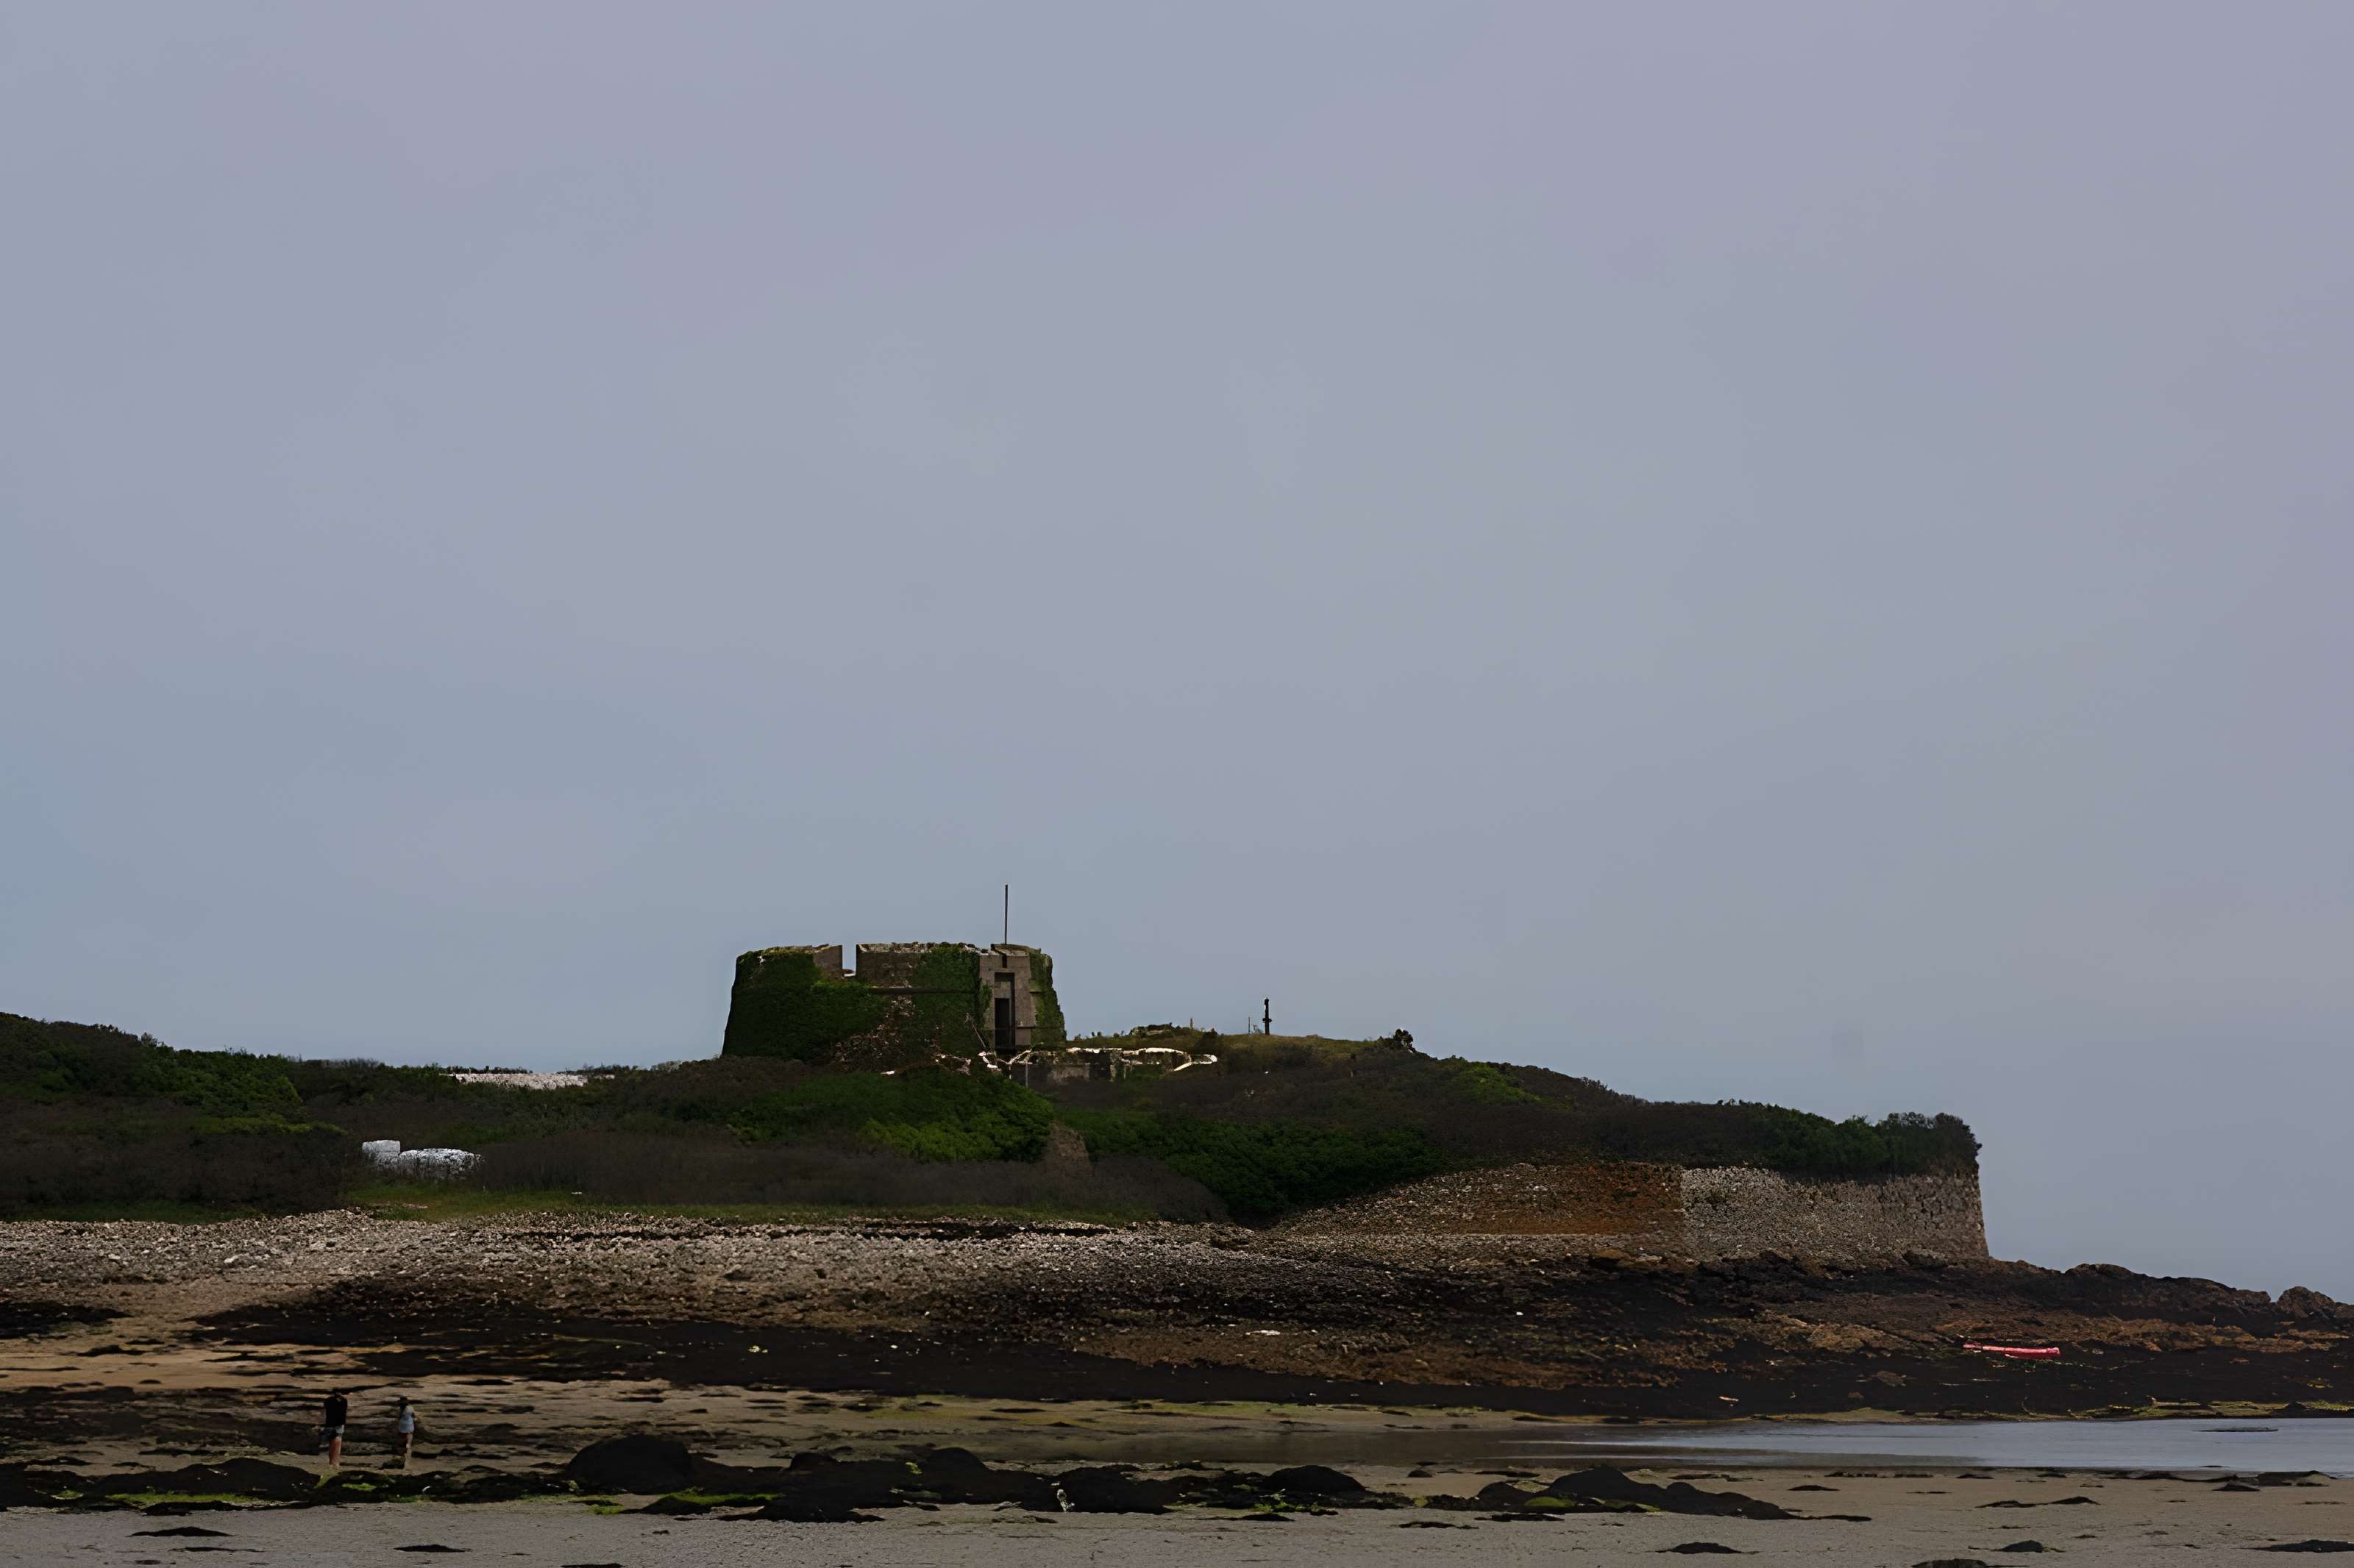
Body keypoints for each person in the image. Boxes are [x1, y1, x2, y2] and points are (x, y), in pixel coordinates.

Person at [321, 1389, 349, 1468]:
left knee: (331, 1443)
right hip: (339, 1424)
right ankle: (335, 1463)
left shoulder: (328, 1400)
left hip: (330, 1424)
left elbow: (325, 1407)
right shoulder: (344, 1401)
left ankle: (332, 1462)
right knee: (337, 1442)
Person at [394, 1396, 416, 1467]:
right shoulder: (410, 1408)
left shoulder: (400, 1410)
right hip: (409, 1423)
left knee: (402, 1435)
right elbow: (413, 1415)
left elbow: (398, 1417)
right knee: (409, 1434)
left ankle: (403, 1450)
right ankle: (408, 1446)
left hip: (402, 1424)